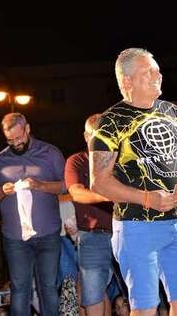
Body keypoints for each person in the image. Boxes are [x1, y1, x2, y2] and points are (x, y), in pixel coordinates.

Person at [89, 48, 177, 316]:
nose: (158, 75)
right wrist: (147, 198)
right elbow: (99, 182)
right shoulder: (109, 122)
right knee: (145, 308)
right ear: (127, 81)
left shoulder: (173, 112)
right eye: (149, 71)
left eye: (158, 70)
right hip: (136, 226)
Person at [0, 113, 66, 316]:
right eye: (10, 140)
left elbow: (66, 186)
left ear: (27, 129)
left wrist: (40, 185)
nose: (15, 143)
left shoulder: (50, 153)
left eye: (19, 137)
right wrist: (1, 191)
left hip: (48, 234)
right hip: (15, 238)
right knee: (19, 289)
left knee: (48, 288)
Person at [65, 114, 115, 316]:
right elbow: (77, 193)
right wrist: (111, 195)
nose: (103, 140)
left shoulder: (122, 159)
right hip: (92, 235)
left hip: (126, 231)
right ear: (87, 137)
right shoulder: (77, 161)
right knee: (93, 297)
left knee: (138, 291)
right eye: (97, 136)